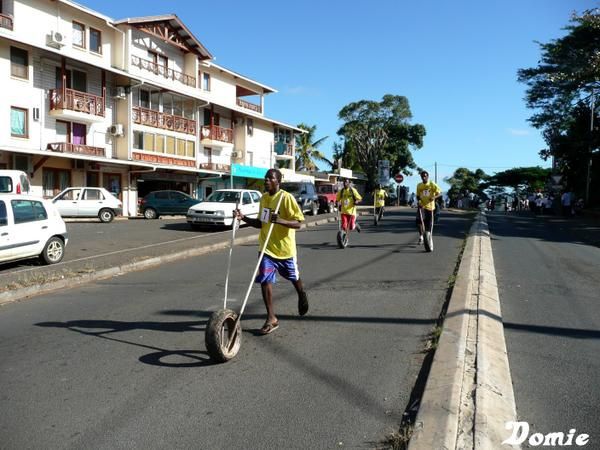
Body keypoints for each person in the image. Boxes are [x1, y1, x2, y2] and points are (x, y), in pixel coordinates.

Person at [233, 168, 309, 335]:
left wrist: (280, 220)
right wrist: (243, 217)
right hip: (266, 249)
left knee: (294, 277)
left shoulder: (286, 198)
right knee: (265, 280)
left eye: (270, 178)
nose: (266, 181)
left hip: (285, 250)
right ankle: (271, 318)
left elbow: (299, 223)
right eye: (265, 178)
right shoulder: (264, 199)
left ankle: (301, 293)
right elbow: (262, 223)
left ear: (278, 181)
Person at [416, 170, 442, 244]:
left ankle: (428, 237)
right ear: (421, 177)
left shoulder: (432, 184)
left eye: (425, 176)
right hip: (422, 206)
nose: (424, 177)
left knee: (429, 223)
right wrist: (419, 201)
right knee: (419, 221)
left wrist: (434, 197)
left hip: (430, 206)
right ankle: (421, 236)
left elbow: (440, 193)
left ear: (427, 176)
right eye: (422, 176)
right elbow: (418, 195)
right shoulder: (419, 185)